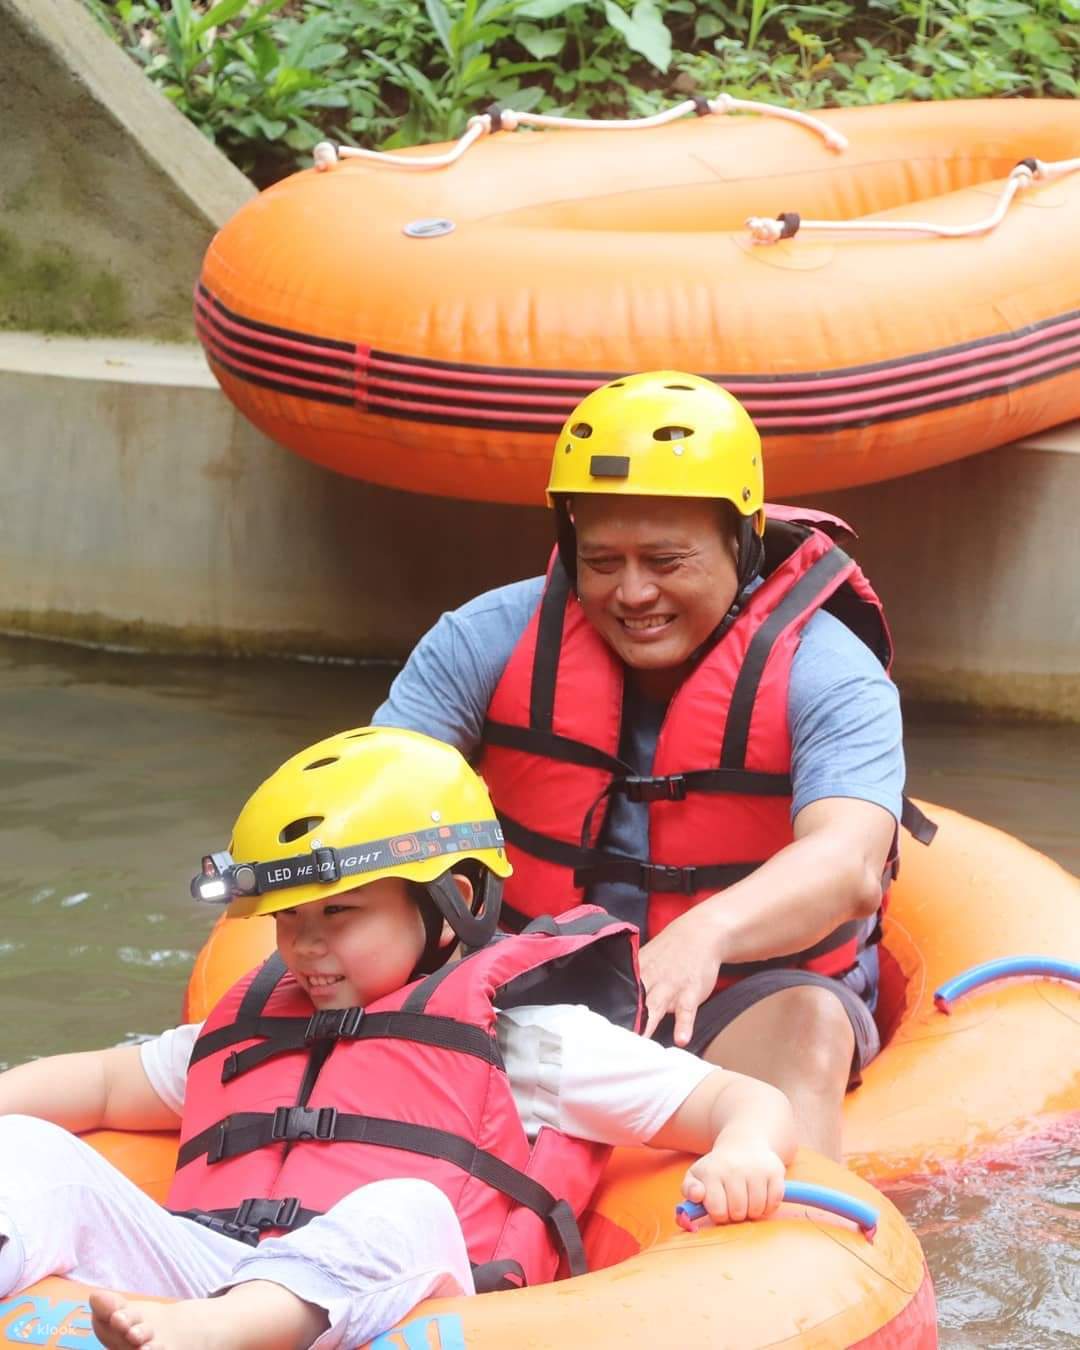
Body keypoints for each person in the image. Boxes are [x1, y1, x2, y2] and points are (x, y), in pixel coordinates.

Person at [0, 726, 796, 1350]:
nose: (305, 946)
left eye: (338, 913)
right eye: (288, 920)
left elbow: (737, 1096)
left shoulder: (525, 1044)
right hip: (199, 1269)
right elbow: (105, 1084)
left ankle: (226, 1335)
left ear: (450, 900)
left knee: (405, 1207)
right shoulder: (253, 1029)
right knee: (30, 1149)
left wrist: (745, 1149)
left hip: (369, 1305)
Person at [373, 371, 935, 1161]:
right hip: (518, 988)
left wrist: (708, 930)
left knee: (811, 1025)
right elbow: (372, 801)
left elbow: (848, 866)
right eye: (601, 562)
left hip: (739, 1002)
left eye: (666, 561)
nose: (632, 592)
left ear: (741, 544)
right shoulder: (482, 641)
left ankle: (793, 1248)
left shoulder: (829, 672)